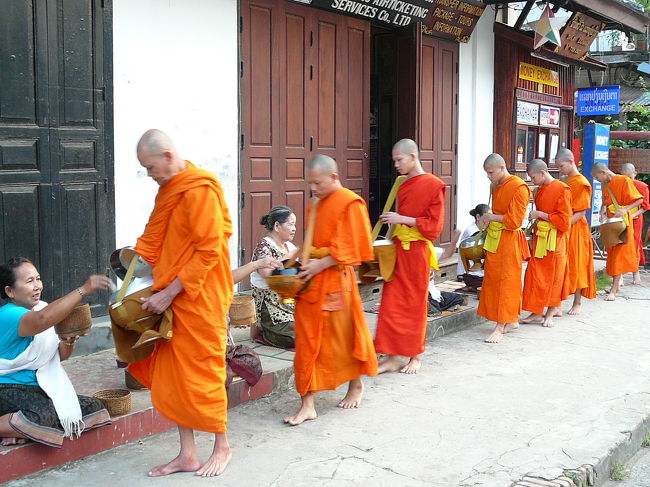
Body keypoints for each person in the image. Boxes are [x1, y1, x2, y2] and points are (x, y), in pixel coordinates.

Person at [127, 129, 234, 477]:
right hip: (171, 295)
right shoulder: (170, 189)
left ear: (169, 157)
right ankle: (188, 453)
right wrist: (134, 274)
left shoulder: (199, 190)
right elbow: (156, 237)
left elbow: (208, 251)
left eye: (150, 167)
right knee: (175, 377)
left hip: (200, 298)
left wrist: (167, 293)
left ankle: (222, 446)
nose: (149, 174)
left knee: (205, 373)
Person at [283, 154, 377, 426]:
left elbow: (355, 247)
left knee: (343, 341)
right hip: (310, 284)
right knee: (306, 343)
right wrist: (292, 258)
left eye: (318, 183)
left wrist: (321, 264)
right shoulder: (316, 205)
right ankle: (307, 404)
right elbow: (311, 241)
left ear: (333, 177)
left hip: (336, 283)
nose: (313, 188)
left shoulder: (350, 203)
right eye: (310, 183)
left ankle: (356, 385)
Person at [0, 257, 112, 447]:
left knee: (93, 409)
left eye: (38, 279)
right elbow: (43, 319)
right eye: (29, 281)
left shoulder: (41, 308)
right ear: (10, 291)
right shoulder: (9, 315)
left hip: (39, 388)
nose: (37, 286)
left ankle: (20, 428)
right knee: (42, 416)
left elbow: (61, 356)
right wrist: (83, 290)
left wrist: (68, 341)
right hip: (7, 388)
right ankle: (18, 426)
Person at [374, 139, 446, 374]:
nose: (396, 165)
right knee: (391, 303)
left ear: (413, 157)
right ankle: (391, 357)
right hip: (398, 250)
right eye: (394, 160)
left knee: (415, 304)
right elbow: (397, 220)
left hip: (416, 252)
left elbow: (434, 227)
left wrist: (402, 219)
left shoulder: (434, 185)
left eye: (399, 159)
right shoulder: (402, 183)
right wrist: (386, 241)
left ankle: (415, 356)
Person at [477, 153, 531, 343]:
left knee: (507, 282)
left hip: (509, 240)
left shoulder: (519, 187)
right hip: (495, 239)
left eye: (490, 172)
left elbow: (515, 220)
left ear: (501, 167)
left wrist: (492, 217)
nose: (488, 176)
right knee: (493, 280)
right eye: (486, 173)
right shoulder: (496, 186)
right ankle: (511, 320)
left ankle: (501, 326)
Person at [521, 159, 572, 328]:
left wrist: (541, 215)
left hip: (555, 240)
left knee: (554, 276)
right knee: (534, 274)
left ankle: (550, 312)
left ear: (543, 173)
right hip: (540, 238)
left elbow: (565, 220)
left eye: (533, 177)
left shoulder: (562, 189)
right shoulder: (540, 190)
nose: (532, 181)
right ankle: (536, 312)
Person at [592, 162, 643, 300]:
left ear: (603, 172)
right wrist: (602, 212)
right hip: (610, 223)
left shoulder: (624, 180)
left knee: (618, 256)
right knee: (612, 254)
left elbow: (639, 200)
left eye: (597, 177)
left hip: (622, 222)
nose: (597, 180)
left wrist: (625, 209)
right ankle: (615, 286)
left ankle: (613, 290)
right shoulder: (605, 185)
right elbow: (605, 202)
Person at [250, 206, 298, 348]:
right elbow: (267, 275)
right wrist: (287, 257)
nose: (294, 228)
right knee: (298, 337)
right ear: (277, 226)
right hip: (272, 307)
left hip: (289, 304)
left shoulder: (290, 246)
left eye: (294, 224)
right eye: (291, 224)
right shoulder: (264, 247)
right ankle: (265, 333)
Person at [556, 149, 596, 315]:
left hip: (576, 227)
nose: (560, 170)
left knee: (577, 264)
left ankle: (577, 302)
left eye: (561, 166)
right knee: (562, 264)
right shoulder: (566, 181)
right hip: (565, 225)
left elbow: (580, 212)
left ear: (571, 161)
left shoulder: (581, 182)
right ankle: (557, 305)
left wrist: (564, 225)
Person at [620, 163, 650, 280]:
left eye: (630, 177)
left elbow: (645, 206)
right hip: (621, 218)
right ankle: (620, 274)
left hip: (635, 219)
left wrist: (632, 215)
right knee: (620, 243)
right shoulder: (619, 185)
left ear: (635, 174)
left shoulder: (641, 186)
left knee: (635, 243)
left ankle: (635, 271)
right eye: (625, 177)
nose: (628, 180)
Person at [456, 204, 490, 292]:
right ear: (478, 217)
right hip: (473, 275)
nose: (489, 220)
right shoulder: (471, 232)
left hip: (480, 273)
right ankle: (472, 287)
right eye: (487, 217)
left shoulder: (483, 230)